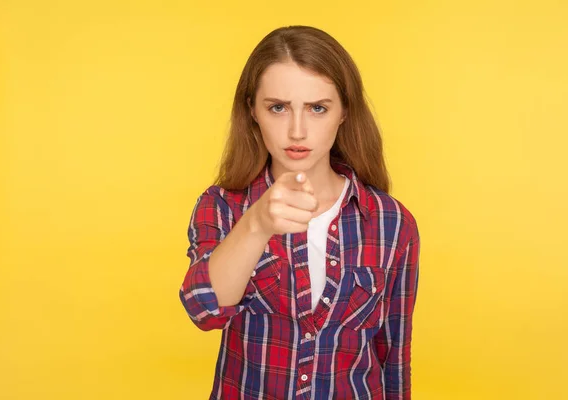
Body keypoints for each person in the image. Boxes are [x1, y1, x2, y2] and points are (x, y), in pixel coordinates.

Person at [179, 25, 420, 400]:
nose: (297, 130)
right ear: (253, 112)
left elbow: (394, 357)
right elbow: (203, 311)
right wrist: (257, 224)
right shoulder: (223, 206)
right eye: (277, 107)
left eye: (317, 108)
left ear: (343, 113)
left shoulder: (392, 224)